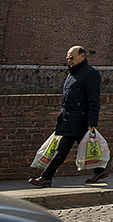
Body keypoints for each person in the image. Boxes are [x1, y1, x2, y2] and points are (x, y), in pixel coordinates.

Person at [30, 45, 106, 187]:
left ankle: (46, 177)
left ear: (82, 56)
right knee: (76, 144)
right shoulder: (72, 73)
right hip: (69, 118)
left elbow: (93, 99)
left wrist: (92, 121)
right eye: (67, 58)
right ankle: (99, 170)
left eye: (71, 57)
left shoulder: (90, 74)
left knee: (62, 150)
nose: (69, 60)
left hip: (79, 119)